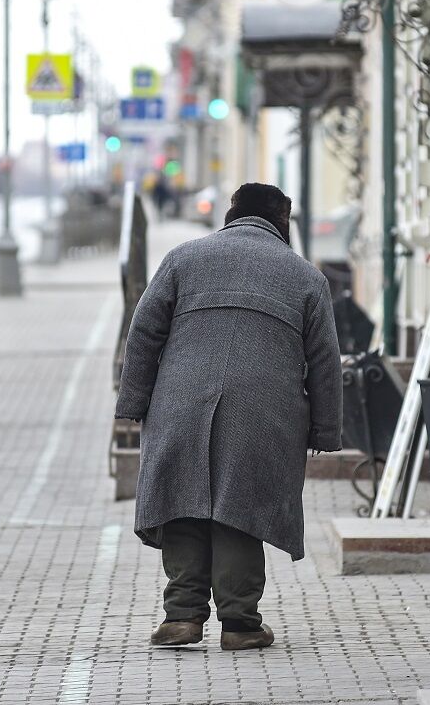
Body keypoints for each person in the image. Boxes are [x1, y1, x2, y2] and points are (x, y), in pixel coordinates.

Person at [115, 182, 342, 651]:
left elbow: (143, 334)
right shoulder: (305, 277)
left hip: (180, 402)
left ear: (230, 214)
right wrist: (325, 429)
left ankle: (181, 617)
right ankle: (240, 624)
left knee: (183, 504)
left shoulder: (183, 258)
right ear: (283, 222)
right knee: (240, 510)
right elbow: (325, 360)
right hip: (264, 410)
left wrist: (133, 404)